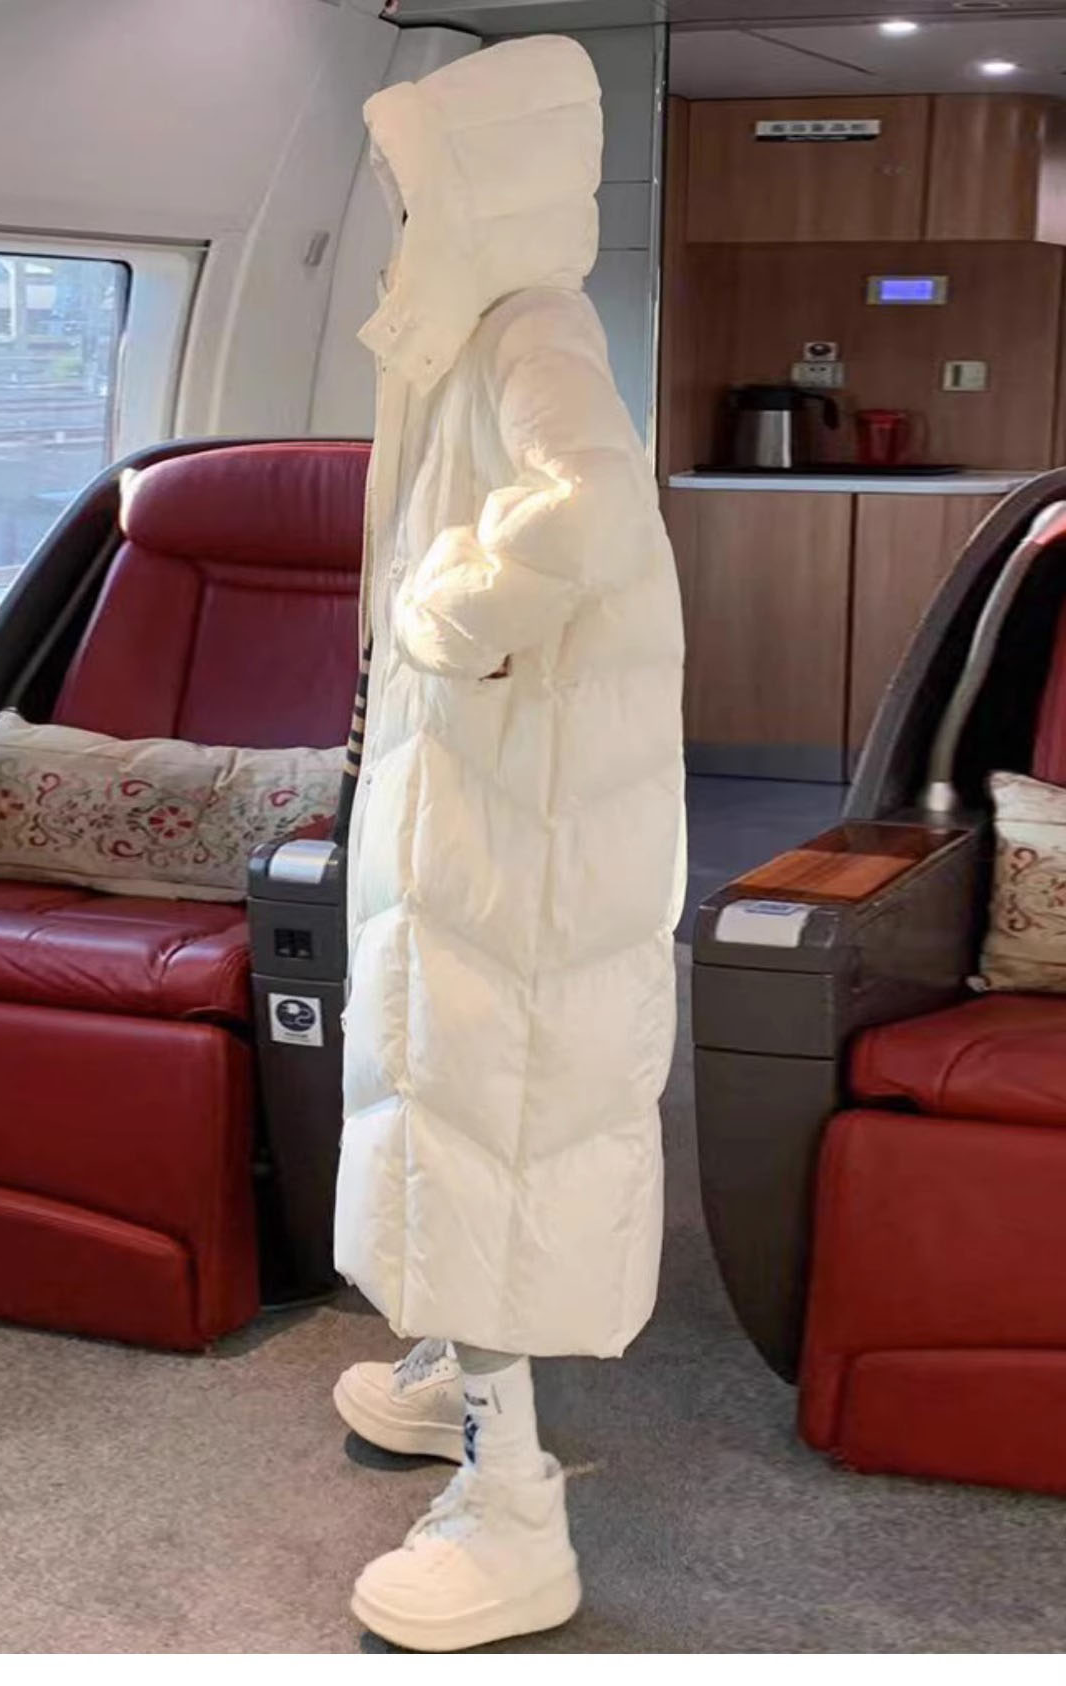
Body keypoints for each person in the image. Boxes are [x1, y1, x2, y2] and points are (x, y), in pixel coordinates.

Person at [331, 33, 685, 1653]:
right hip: (479, 814)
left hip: (518, 832)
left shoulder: (530, 330)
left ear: (486, 194)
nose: (401, 228)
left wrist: (441, 616)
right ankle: (452, 1363)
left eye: (419, 196)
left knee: (490, 1124)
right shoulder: (474, 340)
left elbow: (590, 503)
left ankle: (516, 1507)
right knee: (447, 1113)